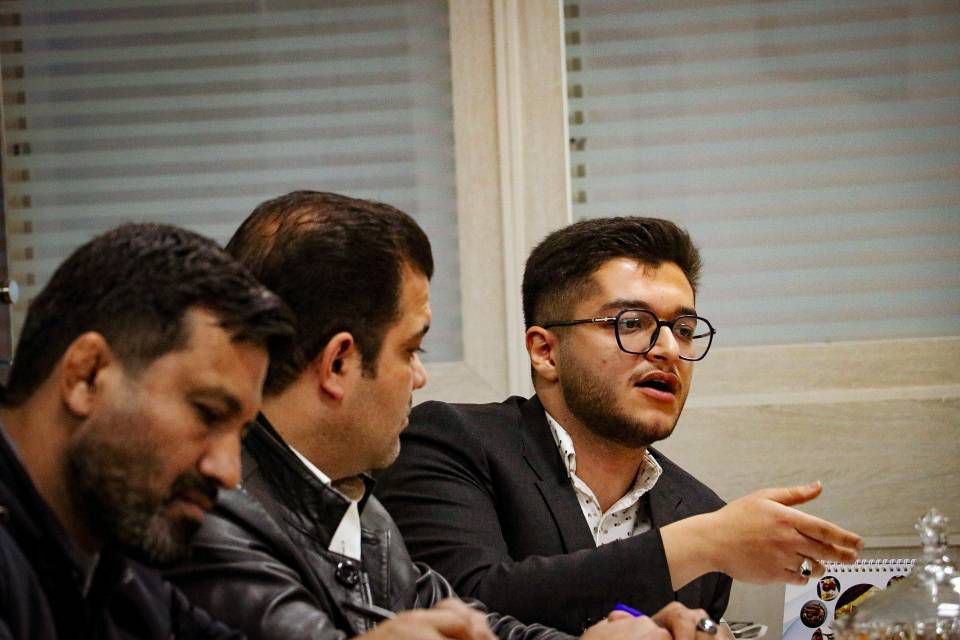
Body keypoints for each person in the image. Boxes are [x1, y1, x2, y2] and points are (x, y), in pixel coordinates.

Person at [166, 192, 714, 640]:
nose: (420, 376)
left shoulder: (360, 510)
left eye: (685, 329)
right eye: (412, 350)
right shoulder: (213, 510)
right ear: (337, 364)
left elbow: (472, 624)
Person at [375, 216, 864, 634]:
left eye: (684, 329)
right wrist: (701, 544)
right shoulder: (452, 441)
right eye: (631, 323)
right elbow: (461, 611)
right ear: (545, 351)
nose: (669, 349)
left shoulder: (699, 509)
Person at [0, 224, 294, 639]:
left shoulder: (119, 570)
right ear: (87, 376)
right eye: (208, 414)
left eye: (240, 435)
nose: (228, 472)